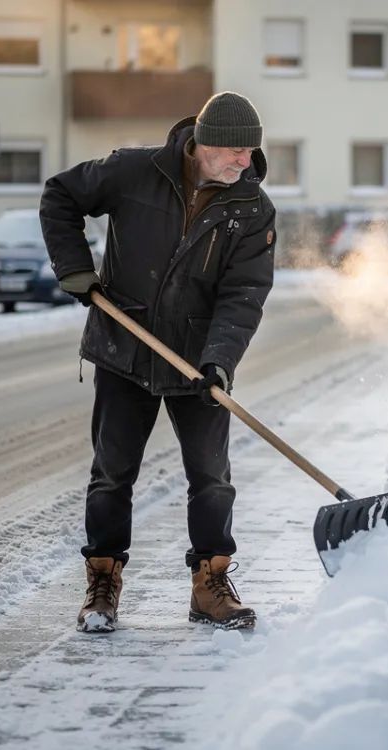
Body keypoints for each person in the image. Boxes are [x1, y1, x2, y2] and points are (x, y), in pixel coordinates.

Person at [39, 91, 276, 633]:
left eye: (251, 153)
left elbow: (244, 295)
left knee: (212, 477)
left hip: (197, 361)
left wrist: (218, 361)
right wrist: (76, 271)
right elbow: (60, 196)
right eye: (237, 153)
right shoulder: (135, 170)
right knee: (112, 475)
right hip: (125, 348)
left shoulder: (252, 208)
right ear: (206, 143)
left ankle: (210, 585)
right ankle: (102, 585)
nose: (247, 163)